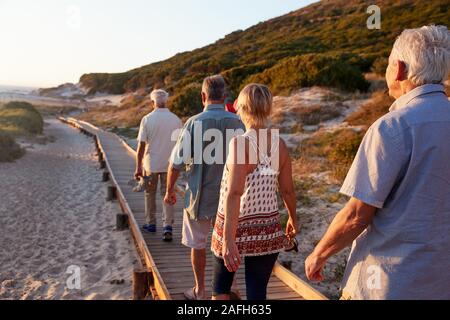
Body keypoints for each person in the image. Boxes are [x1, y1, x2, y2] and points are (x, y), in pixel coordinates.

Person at [305, 25, 450, 300]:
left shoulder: (392, 128)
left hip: (390, 282)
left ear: (399, 69)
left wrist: (319, 254)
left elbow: (357, 214)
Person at [211, 83, 299, 300]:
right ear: (268, 109)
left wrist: (229, 240)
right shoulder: (280, 145)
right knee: (257, 294)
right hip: (266, 228)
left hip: (233, 225)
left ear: (242, 108)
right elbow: (287, 191)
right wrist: (293, 220)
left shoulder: (240, 143)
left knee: (221, 289)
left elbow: (234, 193)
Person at [164, 75, 245, 300]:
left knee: (197, 244)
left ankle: (200, 290)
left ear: (203, 96)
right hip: (232, 197)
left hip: (199, 197)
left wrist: (170, 190)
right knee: (228, 242)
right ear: (225, 96)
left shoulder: (193, 122)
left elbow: (176, 163)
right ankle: (232, 288)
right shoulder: (238, 122)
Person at [135, 89, 182, 241]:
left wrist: (138, 167)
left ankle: (151, 223)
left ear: (152, 102)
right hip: (170, 165)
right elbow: (181, 145)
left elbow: (141, 146)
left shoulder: (147, 119)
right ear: (166, 101)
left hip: (151, 164)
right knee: (167, 194)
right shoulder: (176, 119)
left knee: (149, 194)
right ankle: (167, 226)